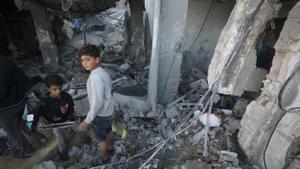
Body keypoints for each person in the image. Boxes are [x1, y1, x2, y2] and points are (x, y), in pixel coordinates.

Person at [78, 44, 115, 164]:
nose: (85, 63)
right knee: (109, 131)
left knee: (101, 139)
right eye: (82, 60)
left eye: (88, 59)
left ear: (97, 60)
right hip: (109, 111)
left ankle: (105, 159)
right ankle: (111, 149)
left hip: (101, 115)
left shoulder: (94, 78)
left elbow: (97, 103)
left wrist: (87, 120)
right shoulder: (103, 72)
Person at [32, 74, 75, 161]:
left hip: (68, 121)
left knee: (80, 129)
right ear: (48, 89)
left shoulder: (66, 96)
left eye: (60, 88)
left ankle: (84, 139)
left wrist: (69, 115)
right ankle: (63, 154)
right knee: (61, 141)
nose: (58, 91)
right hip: (56, 125)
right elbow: (32, 114)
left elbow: (71, 107)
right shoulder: (44, 102)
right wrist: (31, 125)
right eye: (54, 89)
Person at [0, 54, 35, 158]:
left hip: (8, 106)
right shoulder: (4, 58)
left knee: (12, 131)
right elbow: (23, 77)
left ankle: (26, 150)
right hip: (19, 99)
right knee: (18, 121)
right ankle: (36, 135)